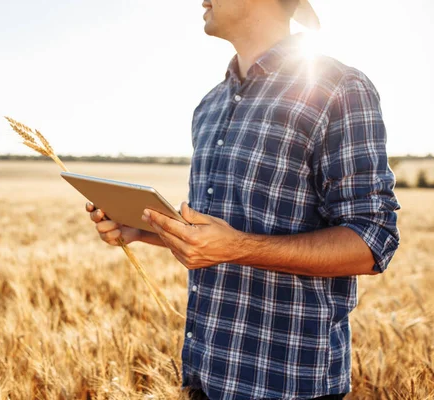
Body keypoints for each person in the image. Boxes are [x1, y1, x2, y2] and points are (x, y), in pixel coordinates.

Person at [86, 0, 401, 398]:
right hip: (206, 373)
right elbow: (212, 234)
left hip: (288, 384)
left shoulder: (338, 88)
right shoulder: (209, 106)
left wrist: (237, 248)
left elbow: (372, 242)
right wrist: (142, 229)